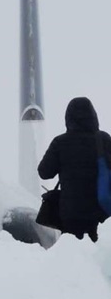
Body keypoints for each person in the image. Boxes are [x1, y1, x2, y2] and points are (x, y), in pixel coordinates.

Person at [38, 97, 111, 242]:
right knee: (100, 254)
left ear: (68, 118)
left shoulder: (60, 142)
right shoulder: (103, 139)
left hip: (70, 213)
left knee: (72, 255)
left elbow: (44, 172)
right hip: (100, 211)